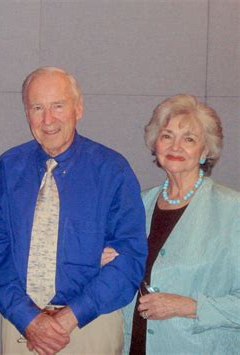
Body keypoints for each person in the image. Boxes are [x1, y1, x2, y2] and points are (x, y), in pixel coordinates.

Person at [0, 66, 147, 355]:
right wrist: (29, 318)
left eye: (58, 106)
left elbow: (130, 260)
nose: (48, 120)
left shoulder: (112, 171)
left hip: (89, 327)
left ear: (78, 108)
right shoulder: (7, 170)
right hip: (23, 329)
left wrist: (70, 316)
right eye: (37, 107)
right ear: (27, 113)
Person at [120, 94, 240, 354]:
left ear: (205, 151)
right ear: (156, 144)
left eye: (189, 139)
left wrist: (188, 306)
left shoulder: (233, 210)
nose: (176, 147)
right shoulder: (138, 205)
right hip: (137, 344)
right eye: (167, 136)